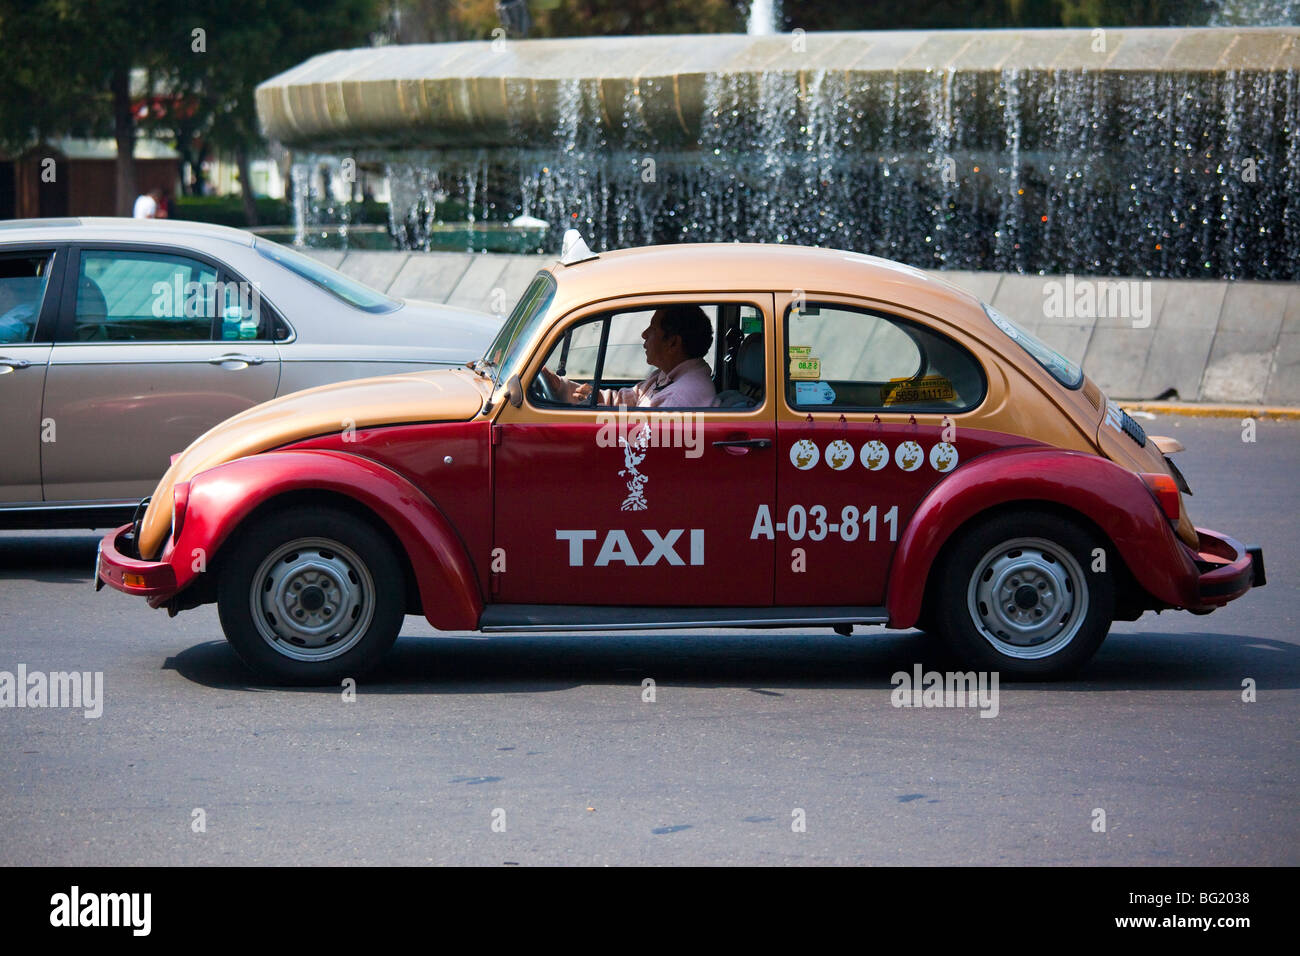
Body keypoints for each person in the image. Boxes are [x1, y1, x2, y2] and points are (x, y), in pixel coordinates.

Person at [542, 305, 716, 408]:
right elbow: (626, 400)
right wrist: (561, 386)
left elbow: (640, 441)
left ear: (673, 343)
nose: (644, 334)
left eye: (653, 329)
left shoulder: (678, 398)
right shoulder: (665, 377)